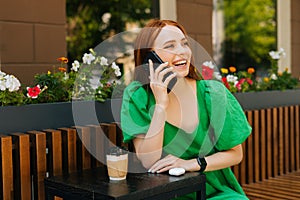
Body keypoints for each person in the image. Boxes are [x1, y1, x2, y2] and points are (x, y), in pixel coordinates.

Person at [120, 19, 252, 199]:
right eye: (170, 46)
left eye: (184, 43)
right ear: (150, 58)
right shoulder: (138, 96)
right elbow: (148, 160)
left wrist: (191, 164)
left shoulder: (212, 93)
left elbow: (235, 154)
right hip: (165, 193)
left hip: (212, 192)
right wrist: (160, 105)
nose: (182, 51)